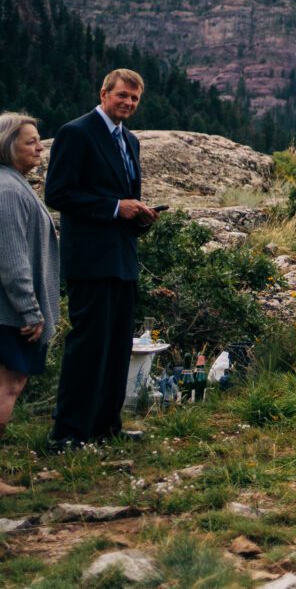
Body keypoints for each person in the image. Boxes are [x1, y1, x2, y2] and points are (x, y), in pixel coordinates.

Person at [44, 70, 156, 449]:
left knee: (117, 343)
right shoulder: (76, 132)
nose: (127, 104)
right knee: (88, 344)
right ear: (104, 93)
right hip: (89, 258)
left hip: (122, 256)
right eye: (122, 96)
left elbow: (126, 199)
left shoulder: (131, 141)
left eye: (134, 100)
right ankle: (68, 432)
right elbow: (58, 193)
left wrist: (139, 215)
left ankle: (107, 425)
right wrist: (114, 208)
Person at [0, 112, 59, 486]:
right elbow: (11, 258)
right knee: (7, 386)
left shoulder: (13, 183)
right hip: (10, 313)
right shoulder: (6, 190)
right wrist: (30, 310)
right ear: (8, 146)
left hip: (11, 311)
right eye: (30, 141)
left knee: (11, 384)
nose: (40, 147)